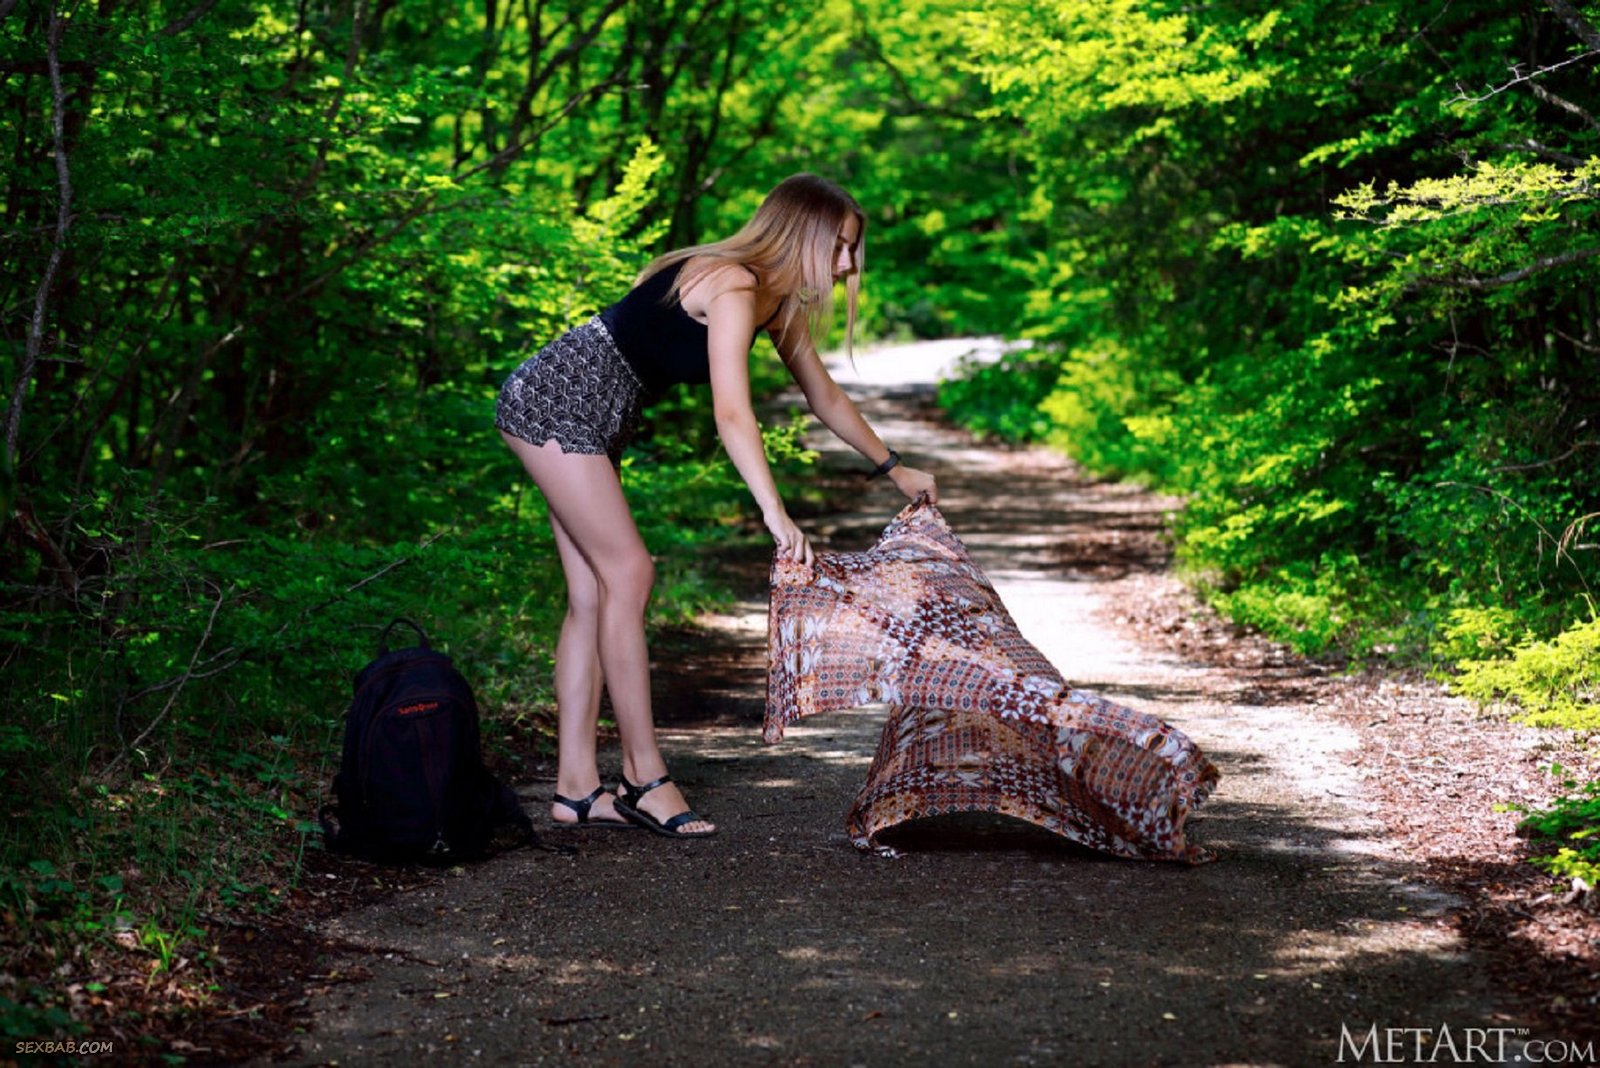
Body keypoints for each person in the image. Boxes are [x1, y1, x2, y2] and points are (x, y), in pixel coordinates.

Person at [495, 173, 936, 838]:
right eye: (840, 247)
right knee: (629, 574)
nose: (848, 265)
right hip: (556, 400)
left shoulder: (774, 303)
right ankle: (644, 778)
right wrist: (773, 512)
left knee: (592, 593)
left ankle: (576, 790)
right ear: (803, 235)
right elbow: (731, 411)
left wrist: (894, 468)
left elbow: (824, 396)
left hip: (597, 414)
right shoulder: (733, 285)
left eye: (853, 251)